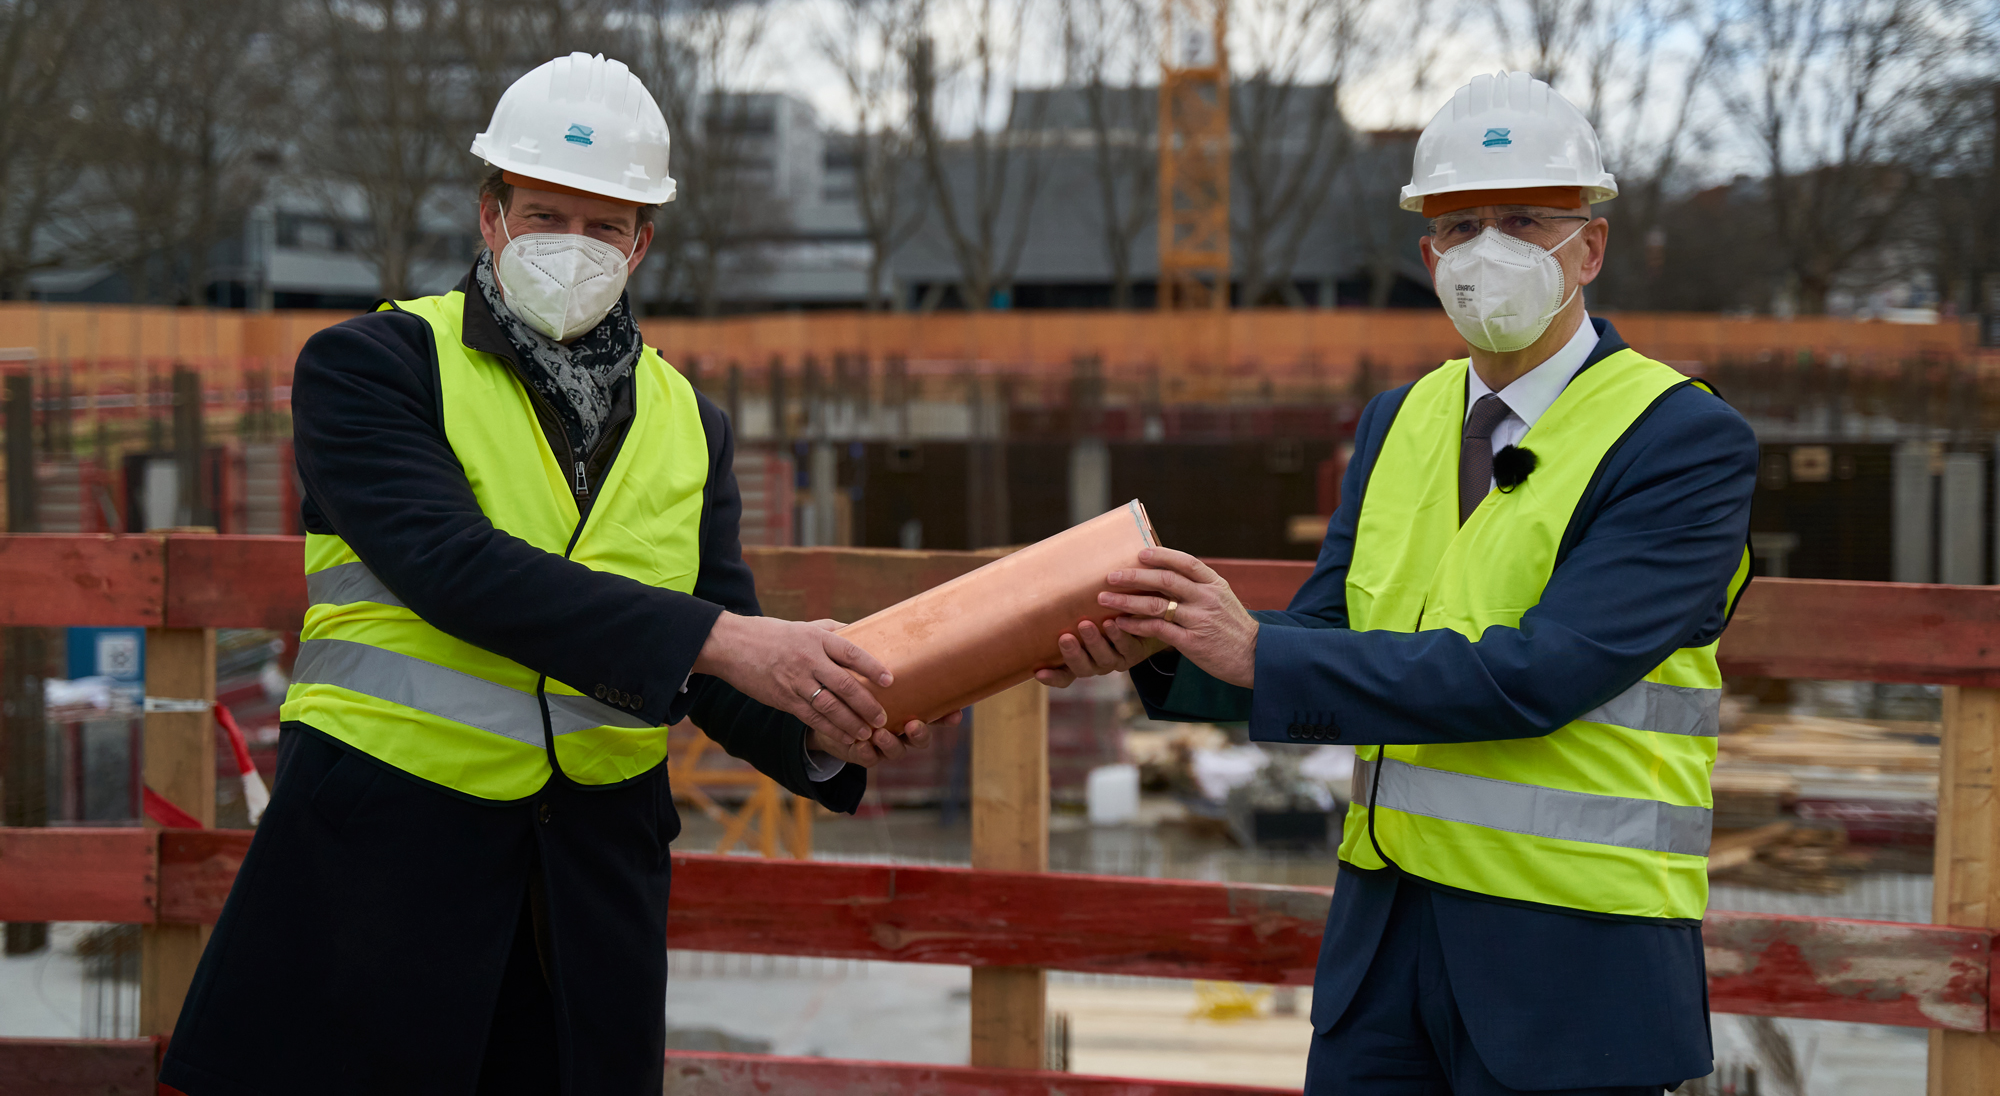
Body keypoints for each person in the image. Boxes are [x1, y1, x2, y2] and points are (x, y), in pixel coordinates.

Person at [160, 53, 944, 1096]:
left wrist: (820, 718)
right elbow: (453, 567)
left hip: (584, 908)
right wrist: (722, 639)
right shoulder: (371, 368)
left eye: (602, 224)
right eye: (542, 215)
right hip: (383, 879)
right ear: (490, 216)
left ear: (640, 242)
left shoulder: (688, 423)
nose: (569, 247)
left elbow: (718, 663)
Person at [1040, 71, 1757, 1095]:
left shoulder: (1680, 439)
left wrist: (1260, 647)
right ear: (1427, 255)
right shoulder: (1398, 420)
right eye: (1458, 226)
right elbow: (1335, 632)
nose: (1486, 251)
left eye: (1522, 220)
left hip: (1572, 965)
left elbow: (1540, 674)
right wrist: (1164, 646)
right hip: (1384, 952)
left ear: (1587, 246)